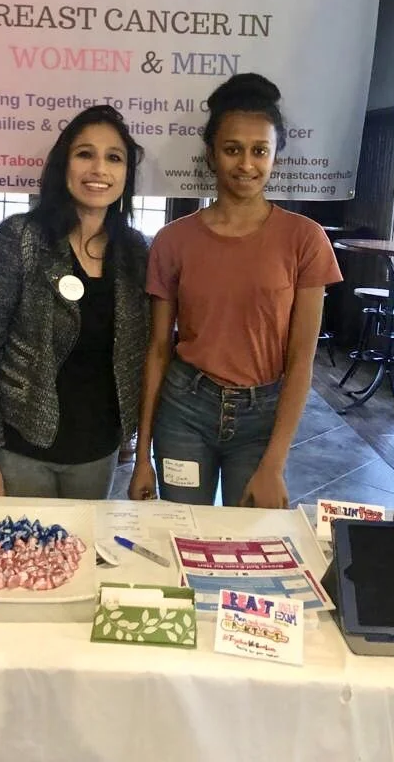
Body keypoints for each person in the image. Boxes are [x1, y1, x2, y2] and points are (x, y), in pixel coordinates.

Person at [128, 73, 342, 509]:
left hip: (262, 418)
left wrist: (275, 463)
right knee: (181, 530)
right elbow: (158, 350)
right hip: (184, 412)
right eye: (232, 149)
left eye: (259, 150)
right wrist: (141, 456)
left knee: (252, 538)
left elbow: (301, 359)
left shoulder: (305, 239)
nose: (246, 164)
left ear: (275, 156)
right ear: (211, 155)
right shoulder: (173, 241)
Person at [0, 105, 149, 499]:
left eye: (114, 158)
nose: (99, 169)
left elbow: (139, 356)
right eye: (85, 154)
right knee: (22, 541)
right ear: (64, 165)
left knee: (82, 540)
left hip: (98, 451)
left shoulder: (135, 252)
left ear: (126, 174)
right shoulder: (20, 238)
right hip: (21, 447)